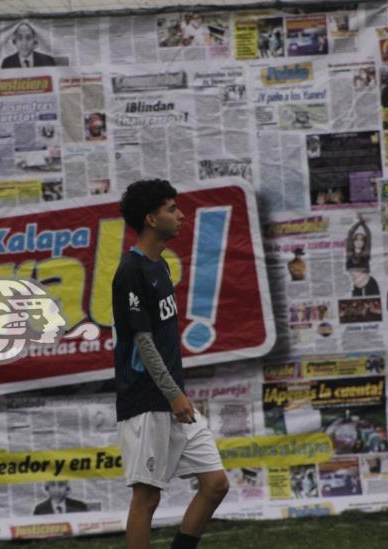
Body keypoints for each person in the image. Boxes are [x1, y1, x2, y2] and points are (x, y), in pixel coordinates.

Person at [112, 179, 228, 549]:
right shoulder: (130, 271)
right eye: (172, 209)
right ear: (150, 219)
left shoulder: (160, 266)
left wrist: (176, 395)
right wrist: (174, 393)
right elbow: (143, 342)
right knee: (147, 499)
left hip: (172, 399)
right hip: (147, 400)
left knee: (215, 484)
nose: (182, 215)